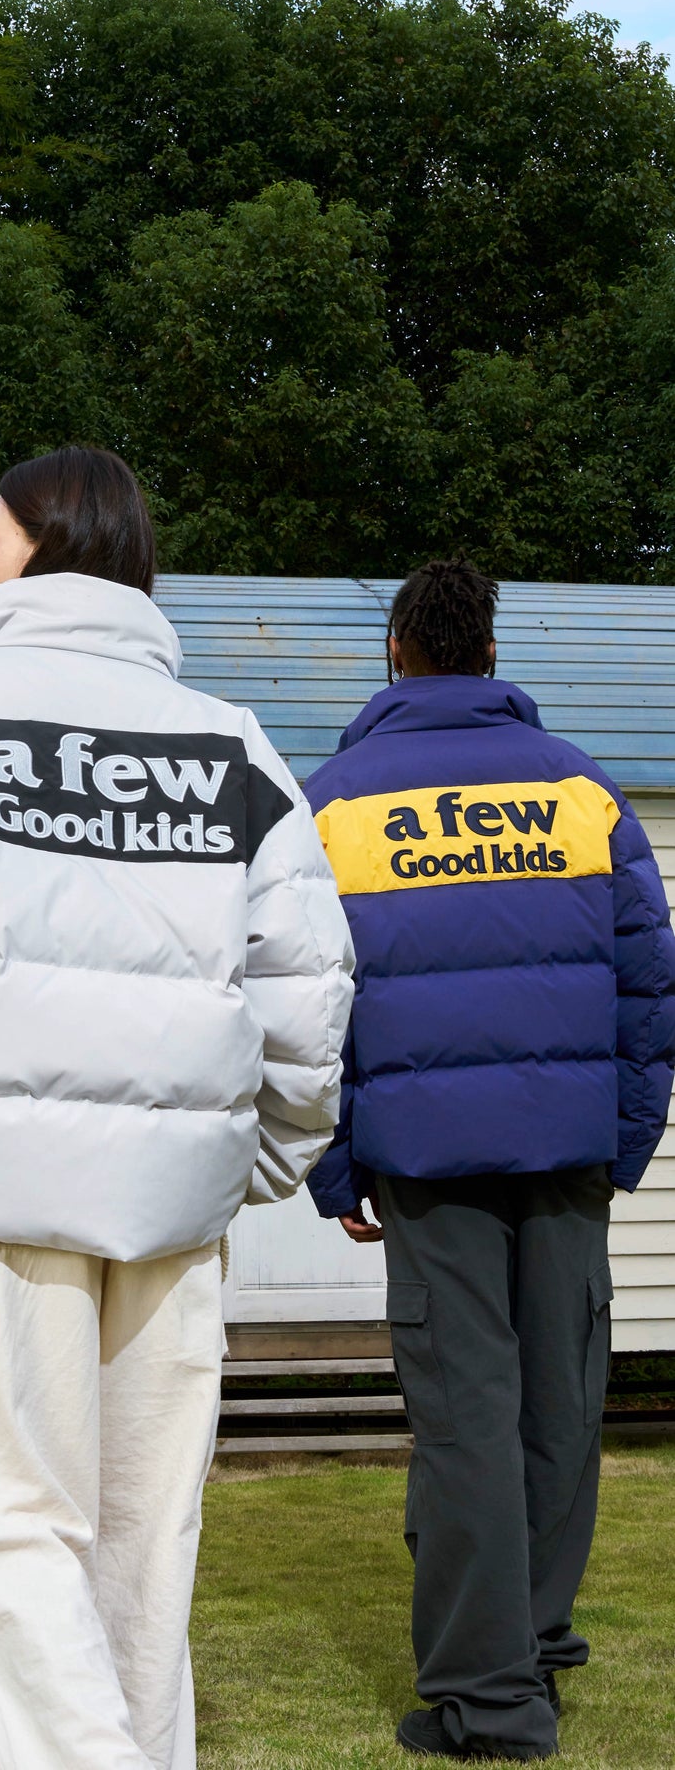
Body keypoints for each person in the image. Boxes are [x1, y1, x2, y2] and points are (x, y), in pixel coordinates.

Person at [0, 446, 354, 1770]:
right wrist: (251, 1162)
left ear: (46, 545)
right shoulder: (229, 741)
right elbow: (308, 983)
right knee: (139, 1562)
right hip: (173, 1221)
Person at [304, 559, 675, 1762]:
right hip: (567, 1152)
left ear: (397, 653)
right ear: (490, 653)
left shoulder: (336, 803)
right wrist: (622, 1145)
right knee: (560, 1405)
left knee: (467, 1416)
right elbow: (648, 988)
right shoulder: (581, 789)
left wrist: (335, 1163)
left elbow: (306, 1003)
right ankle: (536, 1643)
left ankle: (487, 1697)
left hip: (428, 1162)